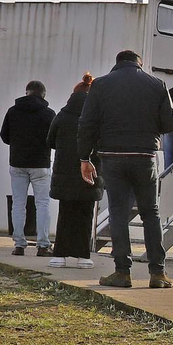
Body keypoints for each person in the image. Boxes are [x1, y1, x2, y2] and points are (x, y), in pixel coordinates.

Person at [76, 50, 173, 289]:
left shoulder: (100, 85)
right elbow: (170, 123)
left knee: (118, 214)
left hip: (113, 157)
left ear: (117, 64)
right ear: (139, 64)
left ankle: (122, 272)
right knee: (150, 213)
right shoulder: (157, 84)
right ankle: (158, 273)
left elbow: (87, 123)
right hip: (145, 157)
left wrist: (84, 157)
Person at [46, 73, 102, 269]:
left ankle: (59, 255)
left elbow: (50, 140)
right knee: (85, 214)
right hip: (90, 171)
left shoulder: (62, 115)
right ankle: (83, 256)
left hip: (64, 171)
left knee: (66, 212)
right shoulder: (97, 116)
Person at [0, 80, 55, 256]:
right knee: (43, 204)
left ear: (26, 93)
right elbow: (53, 141)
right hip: (40, 164)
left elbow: (4, 136)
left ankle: (19, 244)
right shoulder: (48, 114)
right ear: (43, 95)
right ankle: (43, 245)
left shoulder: (12, 111)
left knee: (18, 204)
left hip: (17, 163)